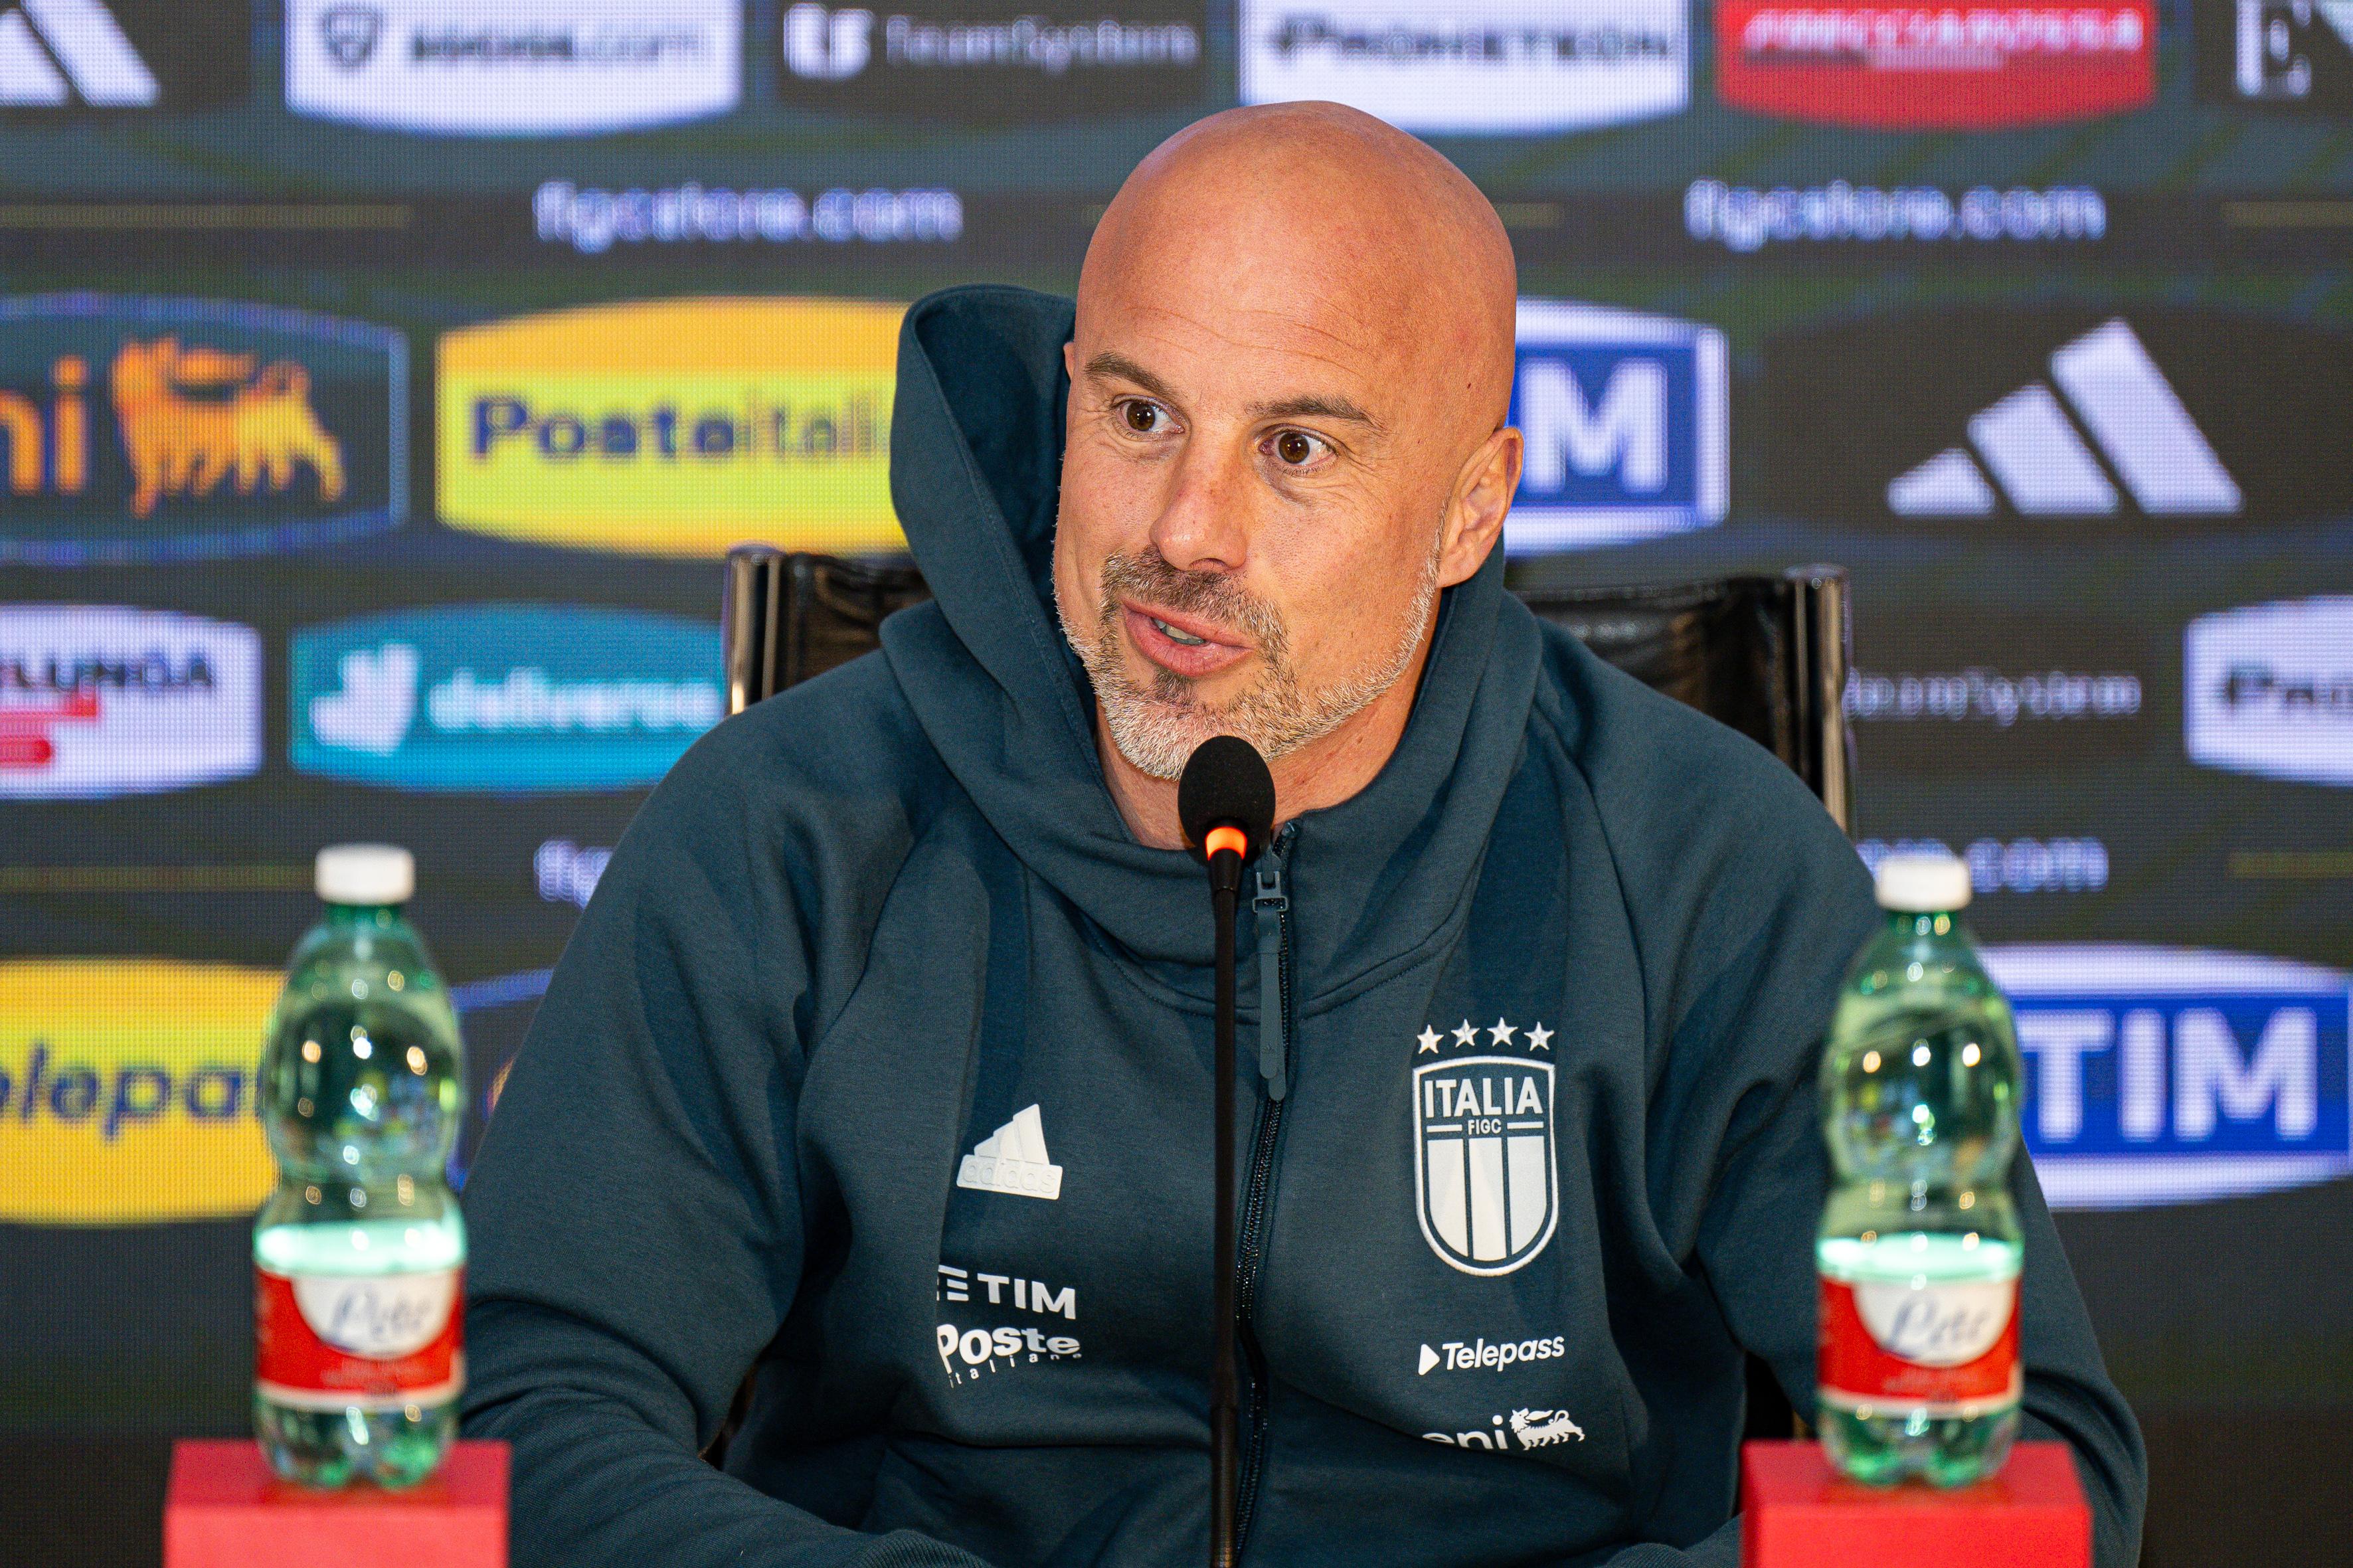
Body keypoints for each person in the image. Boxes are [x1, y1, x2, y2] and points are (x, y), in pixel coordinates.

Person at [460, 104, 2146, 1567]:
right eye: (1135, 418)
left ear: (1469, 505)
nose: (1184, 533)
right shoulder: (790, 827)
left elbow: (2025, 1471)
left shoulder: (1700, 864)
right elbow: (522, 1421)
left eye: (1294, 447)